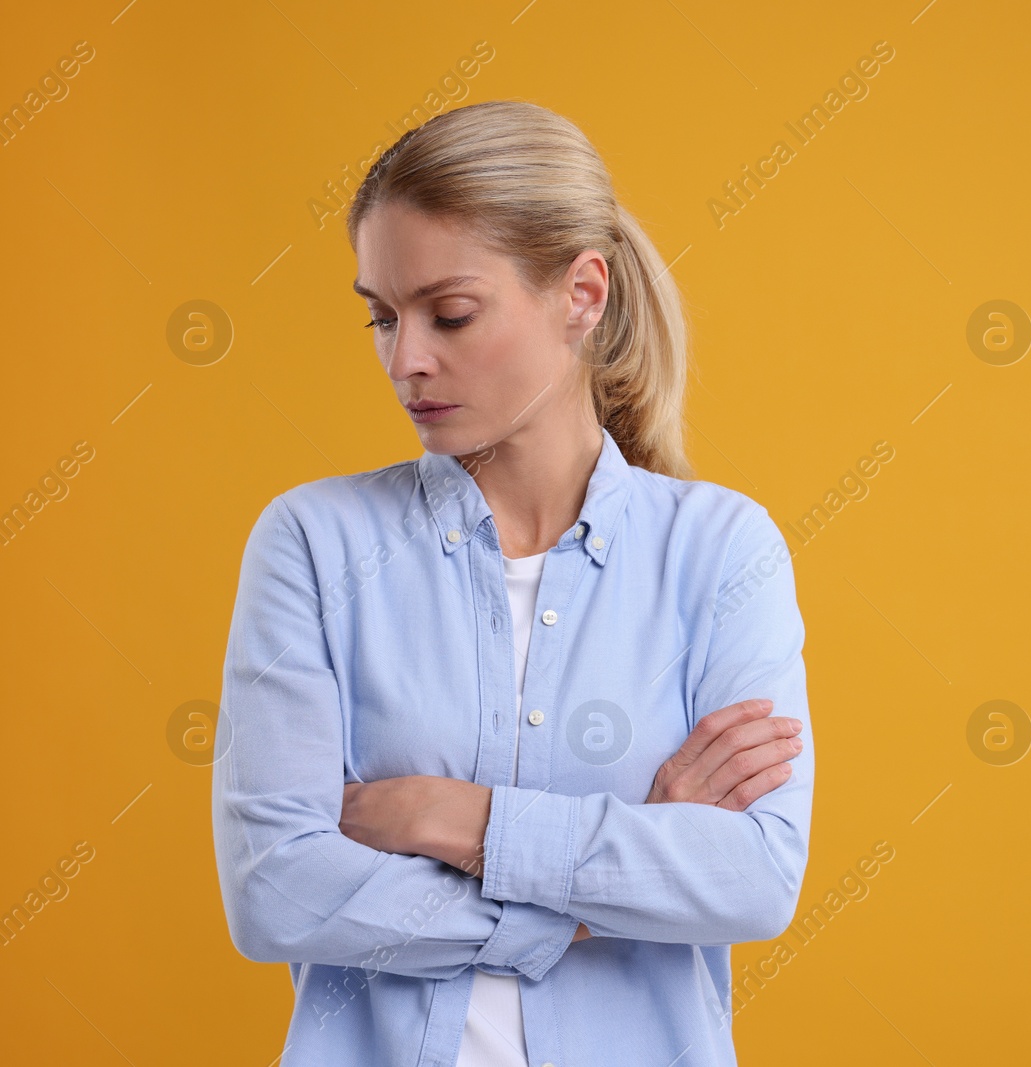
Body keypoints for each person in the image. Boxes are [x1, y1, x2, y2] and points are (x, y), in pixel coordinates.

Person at [211, 99, 813, 1067]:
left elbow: (751, 878)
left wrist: (453, 817)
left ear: (581, 293)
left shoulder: (718, 549)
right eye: (380, 315)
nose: (405, 359)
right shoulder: (312, 542)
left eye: (449, 313)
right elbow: (275, 886)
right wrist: (592, 895)